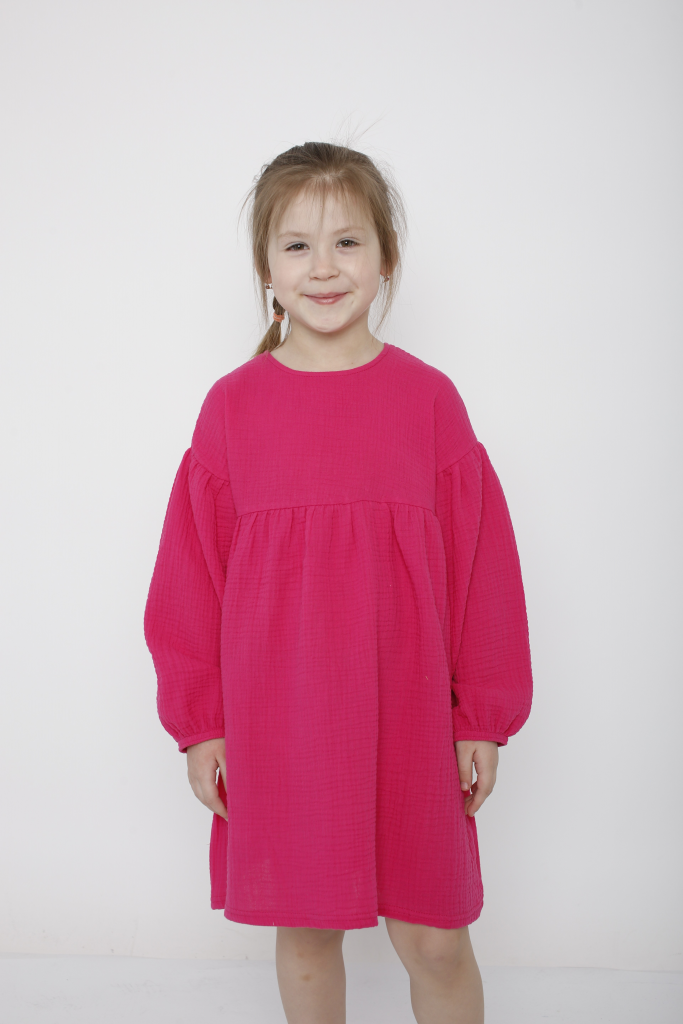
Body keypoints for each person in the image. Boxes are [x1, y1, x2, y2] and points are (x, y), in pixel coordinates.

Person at [144, 141, 533, 1024]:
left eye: (347, 242)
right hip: (283, 726)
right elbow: (188, 580)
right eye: (297, 245)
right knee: (309, 937)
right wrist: (201, 723)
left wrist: (482, 714)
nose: (323, 268)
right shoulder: (233, 407)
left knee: (435, 940)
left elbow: (483, 570)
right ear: (265, 269)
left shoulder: (428, 400)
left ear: (385, 258)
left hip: (411, 718)